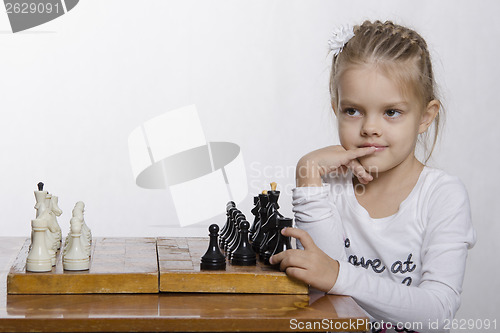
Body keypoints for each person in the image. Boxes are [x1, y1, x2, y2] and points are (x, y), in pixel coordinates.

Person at [270, 20, 476, 332]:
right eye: (353, 110)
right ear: (335, 107)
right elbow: (322, 292)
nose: (370, 128)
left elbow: (437, 312)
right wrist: (307, 174)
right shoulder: (328, 187)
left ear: (425, 116)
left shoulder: (442, 195)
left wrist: (340, 275)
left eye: (391, 112)